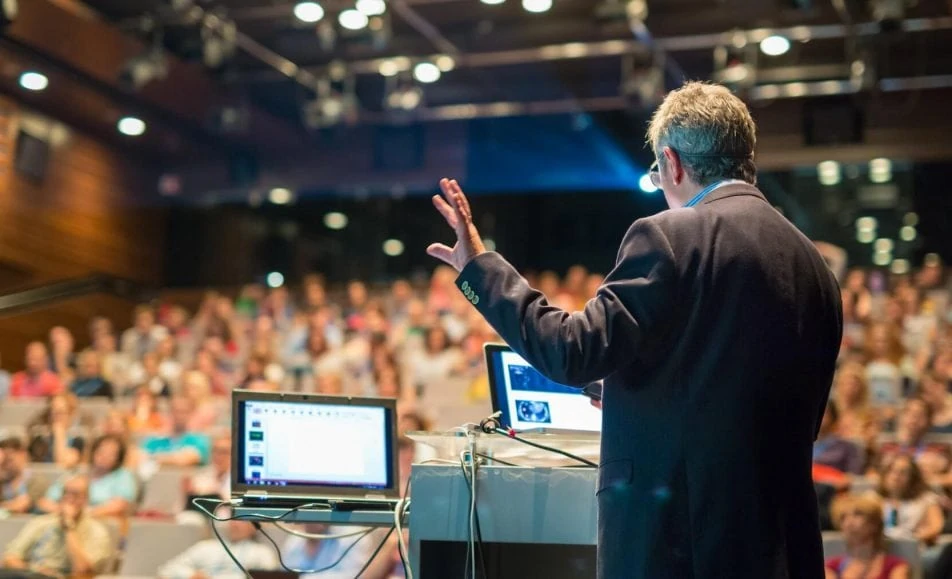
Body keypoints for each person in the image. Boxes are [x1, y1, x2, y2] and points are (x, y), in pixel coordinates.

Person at [426, 81, 843, 578]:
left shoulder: (672, 233)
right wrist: (633, 390)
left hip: (677, 543)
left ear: (671, 162)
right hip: (782, 547)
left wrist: (480, 267)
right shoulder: (814, 264)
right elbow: (751, 397)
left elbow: (570, 351)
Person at [1, 475, 113, 577]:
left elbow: (84, 570)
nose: (69, 498)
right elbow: (10, 557)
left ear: (86, 499)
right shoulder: (41, 522)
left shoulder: (97, 531)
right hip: (32, 574)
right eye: (65, 493)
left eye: (75, 494)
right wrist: (32, 570)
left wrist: (69, 527)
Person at [38, 434, 137, 518]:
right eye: (101, 451)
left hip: (102, 526)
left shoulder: (123, 476)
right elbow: (45, 502)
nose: (104, 456)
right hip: (66, 521)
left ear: (118, 458)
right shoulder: (77, 474)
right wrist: (64, 512)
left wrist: (84, 515)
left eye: (111, 453)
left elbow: (119, 506)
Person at [156, 519, 277, 579]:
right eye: (233, 519)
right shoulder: (206, 547)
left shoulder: (262, 553)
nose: (235, 524)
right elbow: (167, 569)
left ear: (254, 527)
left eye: (242, 521)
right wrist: (191, 575)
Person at [825, 493, 909, 579]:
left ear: (874, 523)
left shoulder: (895, 566)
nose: (849, 523)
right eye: (843, 517)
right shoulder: (831, 566)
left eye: (857, 514)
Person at [140, 396, 210, 467]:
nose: (179, 416)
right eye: (176, 411)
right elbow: (138, 457)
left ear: (191, 414)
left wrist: (153, 457)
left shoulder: (199, 440)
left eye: (184, 412)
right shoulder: (155, 439)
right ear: (170, 412)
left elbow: (184, 460)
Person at [0, 437, 33, 514]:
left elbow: (21, 506)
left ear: (22, 454)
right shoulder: (3, 480)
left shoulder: (35, 479)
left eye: (10, 459)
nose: (6, 463)